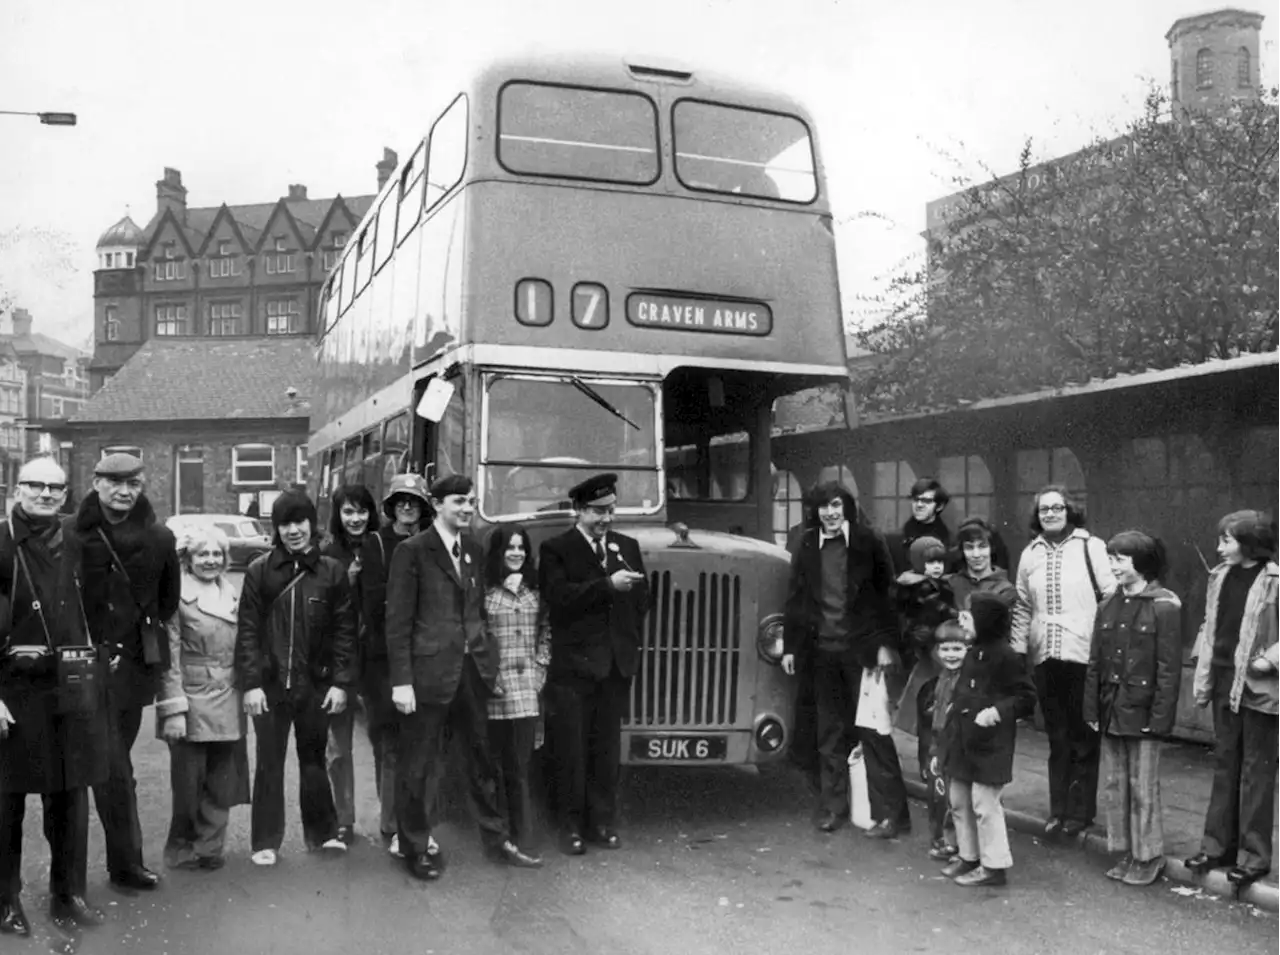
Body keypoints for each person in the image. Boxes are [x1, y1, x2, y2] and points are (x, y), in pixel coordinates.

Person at [388, 473, 541, 879]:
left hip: (471, 676)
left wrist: (487, 666)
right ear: (436, 505)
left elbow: (474, 615)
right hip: (427, 678)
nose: (468, 508)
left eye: (471, 501)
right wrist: (402, 681)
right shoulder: (412, 552)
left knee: (481, 761)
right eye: (459, 501)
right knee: (418, 766)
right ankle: (416, 849)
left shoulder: (472, 550)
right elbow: (398, 621)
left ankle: (497, 839)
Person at [0, 458, 109, 935]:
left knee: (69, 799)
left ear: (66, 495)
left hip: (68, 689)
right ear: (18, 488)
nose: (45, 494)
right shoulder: (0, 540)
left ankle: (68, 895)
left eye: (55, 488)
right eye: (36, 485)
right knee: (6, 805)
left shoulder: (75, 543)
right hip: (11, 690)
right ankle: (5, 902)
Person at [69, 451, 180, 891]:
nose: (123, 491)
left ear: (142, 485)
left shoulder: (159, 538)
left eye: (132, 483)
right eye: (114, 482)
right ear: (96, 483)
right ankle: (109, 868)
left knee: (116, 766)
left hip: (132, 672)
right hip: (79, 668)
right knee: (102, 767)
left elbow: (167, 601)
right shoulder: (71, 535)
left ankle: (123, 865)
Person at [234, 489, 357, 866]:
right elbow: (249, 631)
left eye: (299, 522)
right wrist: (251, 684)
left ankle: (322, 834)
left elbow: (344, 631)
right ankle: (265, 841)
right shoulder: (260, 571)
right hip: (270, 687)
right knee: (269, 764)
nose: (293, 531)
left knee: (313, 760)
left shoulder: (332, 571)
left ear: (312, 524)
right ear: (277, 529)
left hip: (315, 684)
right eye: (285, 524)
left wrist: (340, 682)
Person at [781, 481, 908, 838]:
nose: (830, 513)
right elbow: (797, 598)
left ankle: (892, 815)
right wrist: (792, 647)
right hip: (823, 654)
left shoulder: (868, 541)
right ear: (815, 512)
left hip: (863, 653)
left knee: (873, 731)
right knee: (830, 733)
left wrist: (886, 644)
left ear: (847, 507)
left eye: (836, 505)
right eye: (823, 507)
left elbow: (888, 596)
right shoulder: (807, 544)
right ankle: (833, 808)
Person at [540, 472, 649, 855]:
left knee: (606, 751)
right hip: (575, 669)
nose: (607, 518)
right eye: (599, 511)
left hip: (615, 668)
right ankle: (568, 827)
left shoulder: (627, 546)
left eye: (611, 510)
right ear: (579, 511)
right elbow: (557, 599)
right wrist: (607, 586)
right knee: (571, 750)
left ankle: (600, 822)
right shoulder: (557, 549)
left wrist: (628, 645)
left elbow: (642, 601)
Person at [1010, 485, 1115, 838]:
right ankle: (1058, 811)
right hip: (1046, 658)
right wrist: (1018, 650)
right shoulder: (1030, 554)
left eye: (1057, 508)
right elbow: (1023, 605)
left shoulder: (1091, 547)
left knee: (1084, 736)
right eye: (1044, 510)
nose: (1051, 514)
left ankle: (1081, 813)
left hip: (1084, 657)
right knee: (1057, 738)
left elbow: (1111, 596)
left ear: (1070, 511)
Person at [1185, 510, 1280, 889]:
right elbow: (1211, 623)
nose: (1219, 547)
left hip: (1260, 686)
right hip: (1225, 680)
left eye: (1227, 540)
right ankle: (1217, 847)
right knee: (1226, 764)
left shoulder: (1275, 580)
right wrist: (1200, 656)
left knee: (1257, 770)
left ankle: (1255, 858)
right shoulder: (1219, 577)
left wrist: (1267, 661)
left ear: (1250, 541)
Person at [1082, 530, 1181, 887]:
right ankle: (1127, 852)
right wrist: (1091, 710)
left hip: (1142, 713)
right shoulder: (1108, 604)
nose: (1113, 566)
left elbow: (1169, 670)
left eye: (1120, 560)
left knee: (1143, 787)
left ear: (1142, 564)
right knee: (1117, 784)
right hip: (1112, 710)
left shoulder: (1164, 605)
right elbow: (1095, 662)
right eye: (1111, 559)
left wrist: (1160, 720)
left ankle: (1149, 856)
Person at [155, 524, 249, 871]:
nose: (210, 561)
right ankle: (181, 848)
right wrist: (173, 709)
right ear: (187, 559)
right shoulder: (176, 597)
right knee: (188, 783)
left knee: (222, 778)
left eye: (216, 554)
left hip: (229, 694)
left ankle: (210, 848)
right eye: (202, 554)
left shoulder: (233, 593)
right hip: (192, 696)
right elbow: (170, 658)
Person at [941, 591, 1038, 887]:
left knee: (985, 805)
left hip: (989, 744)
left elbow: (1026, 697)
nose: (961, 621)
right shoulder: (974, 652)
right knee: (959, 800)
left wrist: (996, 711)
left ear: (984, 621)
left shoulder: (1005, 656)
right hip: (964, 740)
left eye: (968, 616)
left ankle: (994, 866)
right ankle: (969, 855)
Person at [360, 473, 430, 856]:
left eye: (414, 501)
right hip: (383, 659)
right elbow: (373, 604)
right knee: (388, 742)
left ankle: (415, 818)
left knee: (419, 742)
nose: (407, 507)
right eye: (401, 501)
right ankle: (391, 821)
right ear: (391, 507)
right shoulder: (375, 545)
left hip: (423, 658)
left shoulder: (430, 544)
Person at [484, 524, 551, 853]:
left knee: (520, 767)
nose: (516, 553)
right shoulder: (485, 593)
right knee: (496, 767)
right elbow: (478, 638)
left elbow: (546, 633)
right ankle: (499, 836)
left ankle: (522, 837)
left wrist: (540, 669)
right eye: (509, 547)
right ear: (498, 552)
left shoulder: (535, 592)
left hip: (527, 691)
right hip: (495, 691)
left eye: (521, 547)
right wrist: (488, 677)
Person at [321, 484, 379, 846]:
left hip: (376, 660)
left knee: (384, 742)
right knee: (338, 747)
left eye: (361, 511)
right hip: (339, 661)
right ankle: (343, 820)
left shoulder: (383, 548)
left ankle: (391, 818)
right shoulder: (328, 555)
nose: (355, 519)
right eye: (348, 512)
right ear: (338, 515)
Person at [892, 536, 955, 738]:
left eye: (940, 562)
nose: (937, 567)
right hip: (926, 637)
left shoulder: (935, 582)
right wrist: (953, 613)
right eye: (931, 562)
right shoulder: (919, 586)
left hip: (930, 636)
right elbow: (933, 606)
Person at [919, 619, 969, 862]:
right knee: (937, 793)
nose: (951, 655)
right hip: (938, 742)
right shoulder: (942, 677)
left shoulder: (965, 679)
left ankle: (955, 842)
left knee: (954, 796)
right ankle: (940, 838)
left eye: (957, 649)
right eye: (946, 649)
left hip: (955, 743)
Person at [948, 518, 1017, 613]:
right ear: (962, 551)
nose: (976, 554)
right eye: (969, 547)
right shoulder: (951, 584)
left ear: (991, 548)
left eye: (982, 546)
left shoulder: (1006, 590)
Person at [901, 477, 951, 560]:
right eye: (916, 499)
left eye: (926, 501)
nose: (919, 505)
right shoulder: (899, 538)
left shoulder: (949, 540)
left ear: (939, 506)